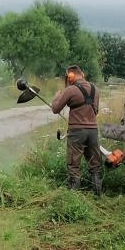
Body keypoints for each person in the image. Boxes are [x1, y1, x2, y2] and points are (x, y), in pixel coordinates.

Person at [51, 65, 102, 197]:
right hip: (93, 131)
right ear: (82, 75)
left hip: (76, 132)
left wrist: (56, 97)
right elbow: (95, 111)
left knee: (73, 165)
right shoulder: (95, 89)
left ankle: (73, 198)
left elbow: (56, 109)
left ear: (70, 77)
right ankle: (97, 195)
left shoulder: (71, 90)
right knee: (95, 164)